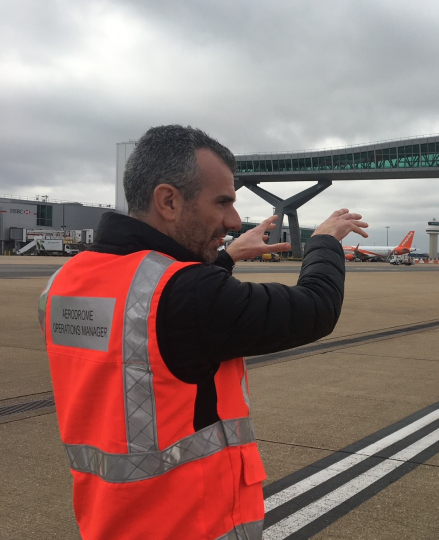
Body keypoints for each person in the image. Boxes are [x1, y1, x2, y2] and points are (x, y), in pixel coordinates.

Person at [39, 125, 368, 540]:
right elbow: (316, 310)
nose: (232, 219)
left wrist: (226, 258)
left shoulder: (63, 284)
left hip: (109, 523)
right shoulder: (188, 295)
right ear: (169, 201)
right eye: (223, 202)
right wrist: (323, 242)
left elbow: (160, 322)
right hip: (193, 525)